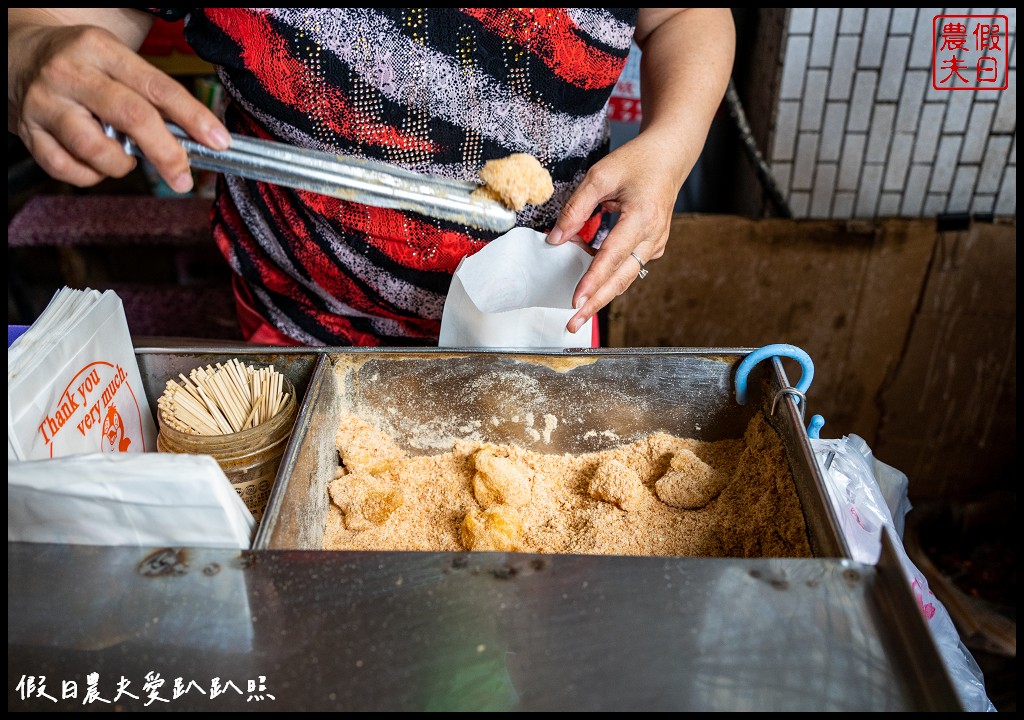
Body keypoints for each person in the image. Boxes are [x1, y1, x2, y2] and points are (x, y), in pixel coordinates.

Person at [8, 8, 735, 346]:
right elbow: (58, 22)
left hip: (539, 315)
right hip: (302, 319)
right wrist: (29, 49)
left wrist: (670, 148)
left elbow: (687, 16)